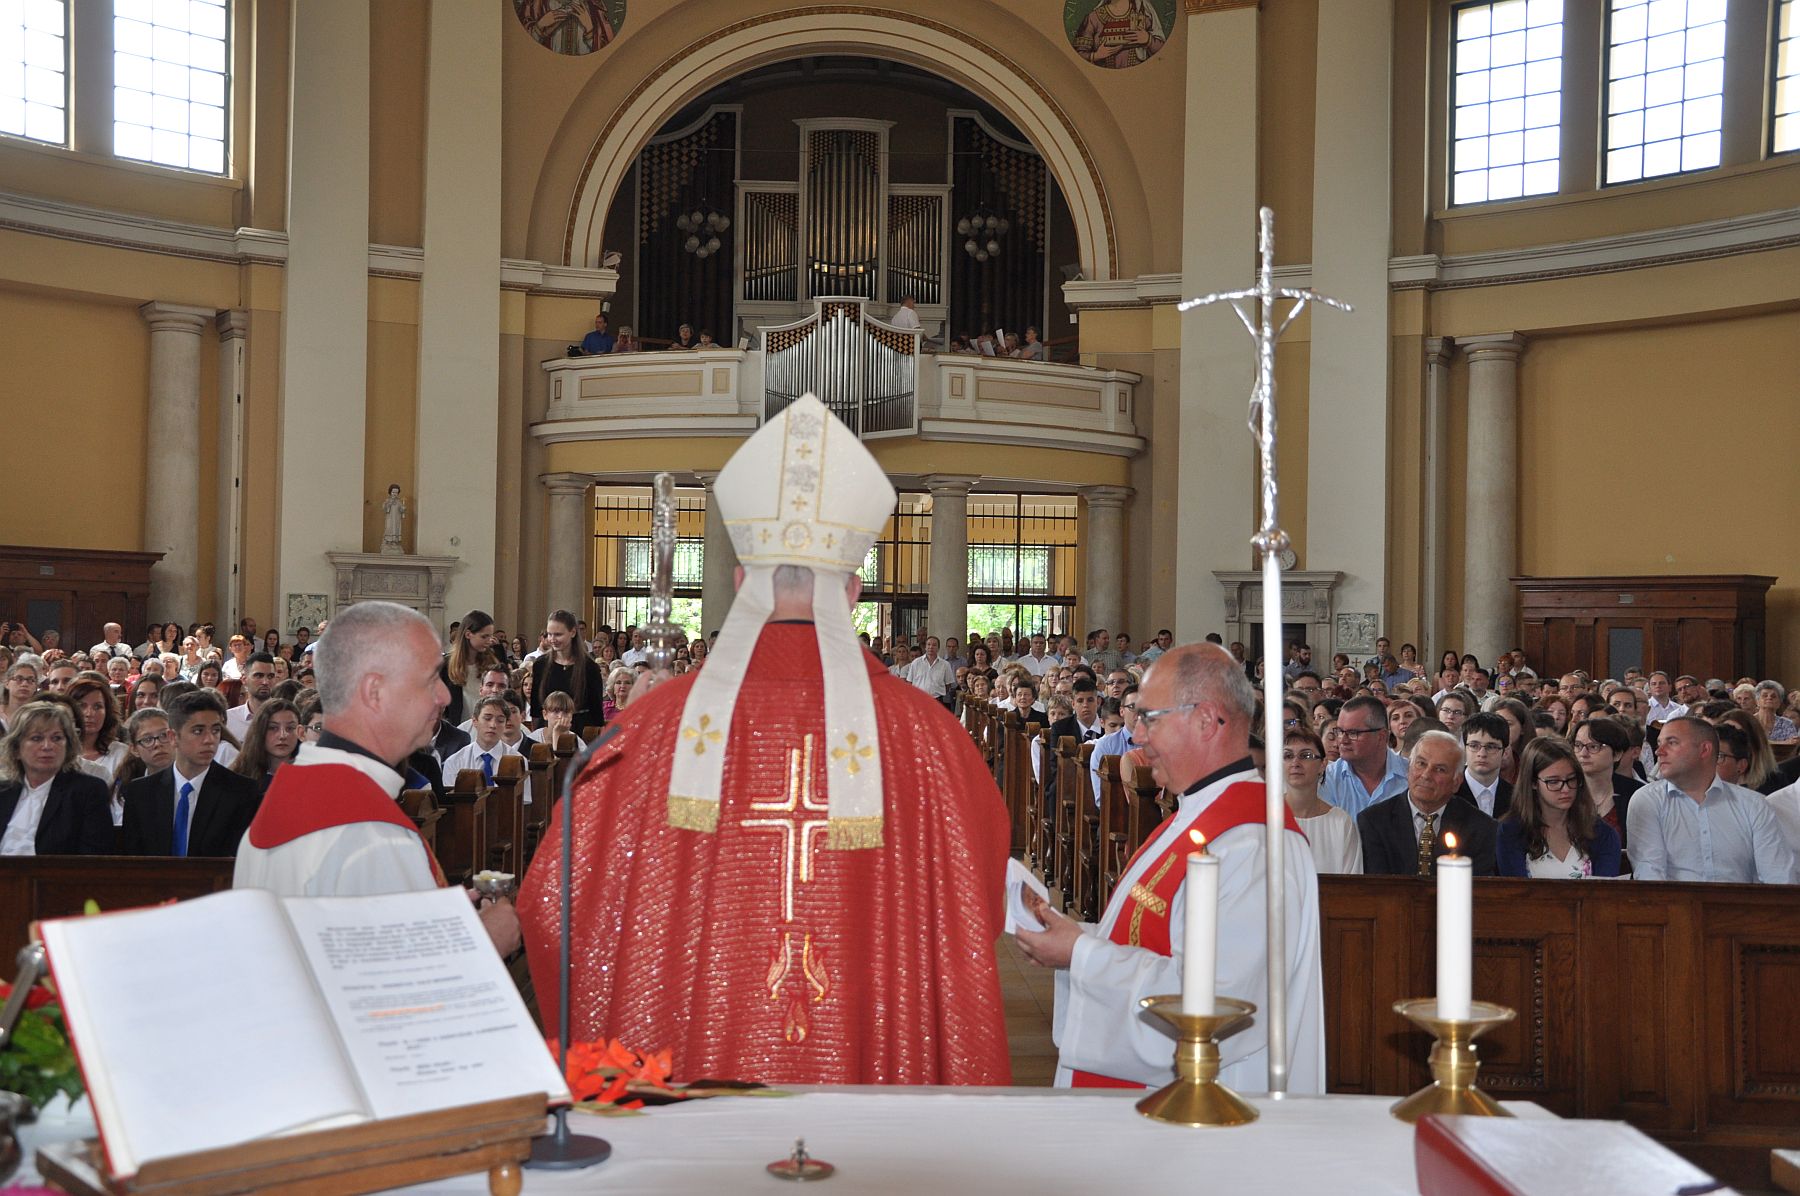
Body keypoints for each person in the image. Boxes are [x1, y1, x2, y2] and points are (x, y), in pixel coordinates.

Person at [518, 394, 1011, 1086]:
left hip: (688, 1091)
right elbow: (976, 901)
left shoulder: (652, 729)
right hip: (874, 1086)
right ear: (855, 592)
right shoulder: (929, 735)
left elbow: (553, 903)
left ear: (741, 581)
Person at [1015, 642, 1324, 1092]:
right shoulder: (1194, 816)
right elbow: (1148, 937)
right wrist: (1076, 936)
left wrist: (1080, 954)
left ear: (1205, 720)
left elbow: (1218, 1003)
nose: (1137, 736)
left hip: (1205, 1108)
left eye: (1149, 718)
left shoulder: (1252, 844)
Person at [233, 602, 521, 954]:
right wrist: (483, 944)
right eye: (431, 678)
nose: (444, 696)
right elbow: (403, 997)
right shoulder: (375, 839)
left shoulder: (294, 792)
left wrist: (430, 910)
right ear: (374, 692)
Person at [1627, 717, 1795, 883]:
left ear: (1704, 750)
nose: (1659, 751)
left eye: (1672, 743)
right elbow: (1650, 875)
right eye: (1659, 743)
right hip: (1672, 908)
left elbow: (1778, 877)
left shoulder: (1755, 805)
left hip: (1741, 908)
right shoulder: (1647, 800)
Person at [120, 690, 262, 857]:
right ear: (173, 737)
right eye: (198, 731)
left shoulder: (242, 792)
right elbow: (133, 861)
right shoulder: (141, 792)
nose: (209, 740)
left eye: (215, 731)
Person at [1357, 730, 1499, 876]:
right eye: (1421, 764)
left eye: (1440, 769)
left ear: (1456, 782)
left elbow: (1477, 890)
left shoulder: (1482, 828)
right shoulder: (1374, 821)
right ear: (1409, 768)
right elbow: (1376, 887)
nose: (1426, 775)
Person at [0, 701, 113, 855]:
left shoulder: (87, 791)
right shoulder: (4, 791)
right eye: (36, 738)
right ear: (16, 749)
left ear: (68, 746)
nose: (47, 746)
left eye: (57, 738)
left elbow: (93, 861)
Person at [1498, 737, 1621, 878]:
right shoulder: (1511, 831)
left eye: (1571, 779)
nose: (1565, 789)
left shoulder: (1601, 833)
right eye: (1554, 781)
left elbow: (1605, 891)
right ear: (1533, 783)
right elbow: (1515, 892)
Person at [1283, 726, 1361, 874]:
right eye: (1288, 756)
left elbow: (1351, 886)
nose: (1295, 763)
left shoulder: (1341, 822)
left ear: (1323, 764)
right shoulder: (1262, 818)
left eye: (1305, 756)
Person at [1320, 695, 1408, 819]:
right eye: (1339, 731)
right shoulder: (1328, 779)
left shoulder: (1410, 775)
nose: (1342, 740)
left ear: (1381, 736)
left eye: (1352, 733)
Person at [1572, 716, 1642, 854]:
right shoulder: (1563, 791)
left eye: (1594, 747)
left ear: (1617, 754)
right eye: (1578, 745)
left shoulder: (1637, 794)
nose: (1583, 753)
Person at [531, 610, 605, 729]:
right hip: (547, 729)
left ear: (573, 633)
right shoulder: (540, 664)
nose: (552, 639)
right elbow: (536, 707)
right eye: (549, 634)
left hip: (581, 729)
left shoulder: (589, 667)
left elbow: (596, 709)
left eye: (558, 634)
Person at [440, 609, 501, 726]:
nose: (489, 641)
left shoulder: (492, 661)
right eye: (484, 637)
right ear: (468, 634)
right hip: (458, 726)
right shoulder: (446, 664)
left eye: (490, 636)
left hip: (487, 725)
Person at [230, 698, 303, 793]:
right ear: (260, 731)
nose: (283, 735)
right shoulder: (238, 777)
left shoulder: (312, 774)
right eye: (273, 728)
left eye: (290, 728)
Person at [1454, 712, 1514, 820]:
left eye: (1491, 747)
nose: (1482, 754)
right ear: (1464, 748)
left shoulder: (1515, 797)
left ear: (1505, 752)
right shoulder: (1449, 791)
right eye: (1474, 746)